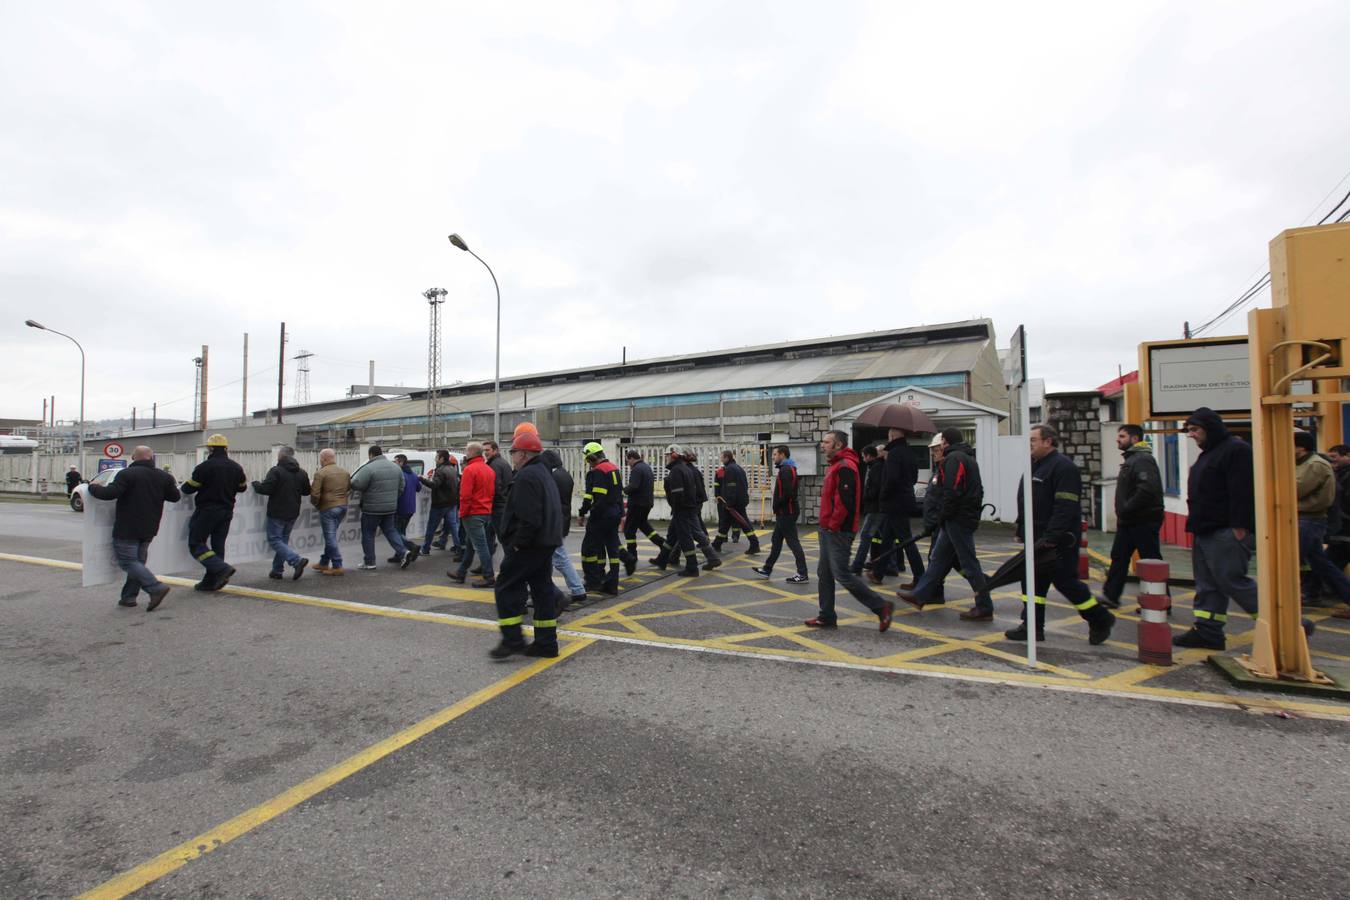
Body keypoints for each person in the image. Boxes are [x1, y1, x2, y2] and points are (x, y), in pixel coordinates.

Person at [1173, 408, 1312, 648]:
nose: (1192, 435)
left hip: (1225, 530)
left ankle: (1288, 625)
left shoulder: (1236, 451)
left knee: (1231, 580)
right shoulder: (1210, 453)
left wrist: (1240, 525)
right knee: (1208, 584)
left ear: (1210, 428)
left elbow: (1243, 491)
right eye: (1190, 430)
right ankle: (1208, 631)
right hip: (1206, 529)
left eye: (1195, 430)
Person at [1005, 425, 1115, 644]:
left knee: (1065, 582)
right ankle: (1032, 626)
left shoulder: (1063, 468)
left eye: (1034, 440)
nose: (1030, 444)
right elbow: (1027, 501)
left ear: (1048, 441)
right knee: (1032, 584)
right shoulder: (1036, 466)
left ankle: (1100, 618)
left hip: (1057, 540)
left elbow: (1064, 507)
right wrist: (1021, 529)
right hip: (1036, 537)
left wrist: (1052, 538)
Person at [805, 430, 895, 631]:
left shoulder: (845, 467)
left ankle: (881, 606)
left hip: (837, 531)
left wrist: (832, 526)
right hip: (828, 529)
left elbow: (845, 503)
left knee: (842, 574)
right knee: (825, 573)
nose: (822, 445)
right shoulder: (836, 465)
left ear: (838, 445)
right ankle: (826, 615)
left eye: (827, 442)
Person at [896, 428, 990, 618]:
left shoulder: (953, 459)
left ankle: (985, 606)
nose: (935, 451)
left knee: (969, 564)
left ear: (945, 442)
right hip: (957, 518)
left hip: (957, 519)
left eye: (939, 445)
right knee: (937, 559)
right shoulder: (967, 459)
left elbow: (952, 492)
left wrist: (943, 516)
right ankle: (920, 595)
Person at [488, 430, 566, 659]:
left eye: (513, 452)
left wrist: (517, 545)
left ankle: (512, 639)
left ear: (523, 453)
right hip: (545, 542)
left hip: (529, 545)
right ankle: (546, 643)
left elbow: (529, 517)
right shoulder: (542, 472)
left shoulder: (526, 476)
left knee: (505, 587)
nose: (512, 456)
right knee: (542, 592)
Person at [87, 445, 179, 610]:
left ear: (134, 458)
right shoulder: (163, 476)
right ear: (152, 458)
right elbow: (175, 497)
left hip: (128, 527)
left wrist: (93, 486)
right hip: (150, 527)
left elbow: (109, 494)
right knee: (138, 563)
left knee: (128, 562)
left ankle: (155, 587)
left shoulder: (127, 474)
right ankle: (128, 597)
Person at [1103, 425, 1164, 609]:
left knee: (1151, 560)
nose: (1118, 439)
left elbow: (1146, 489)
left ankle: (1160, 601)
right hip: (1130, 520)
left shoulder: (1142, 459)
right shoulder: (1133, 459)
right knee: (1119, 557)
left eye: (1122, 436)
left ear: (1135, 439)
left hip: (1142, 520)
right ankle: (1111, 596)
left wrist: (1127, 508)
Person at [181, 433, 247, 592]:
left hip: (207, 510)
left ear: (210, 448)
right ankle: (211, 581)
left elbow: (188, 488)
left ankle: (220, 568)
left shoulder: (204, 467)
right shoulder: (236, 467)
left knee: (196, 543)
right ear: (226, 448)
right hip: (227, 511)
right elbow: (242, 487)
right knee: (218, 545)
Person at [1294, 431, 1350, 607]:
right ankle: (1316, 593)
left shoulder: (1315, 465)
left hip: (1310, 519)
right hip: (1307, 519)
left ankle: (1285, 598)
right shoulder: (1305, 464)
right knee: (1321, 563)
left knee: (1293, 560)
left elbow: (1296, 489)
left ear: (1301, 447)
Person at [350, 445, 419, 571]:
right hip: (390, 508)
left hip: (371, 508)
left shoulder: (369, 467)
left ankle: (370, 562)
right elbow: (402, 486)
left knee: (368, 534)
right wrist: (393, 498)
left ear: (371, 455)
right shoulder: (396, 468)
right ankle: (403, 552)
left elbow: (356, 483)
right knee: (391, 531)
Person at [874, 427, 925, 587]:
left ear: (892, 436)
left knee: (906, 540)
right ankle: (878, 573)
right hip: (904, 500)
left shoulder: (895, 454)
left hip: (894, 503)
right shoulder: (909, 453)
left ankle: (920, 577)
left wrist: (882, 496)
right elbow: (914, 477)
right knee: (887, 539)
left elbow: (891, 479)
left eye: (889, 435)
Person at [252, 445, 312, 581]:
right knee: (283, 540)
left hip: (277, 511)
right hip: (293, 512)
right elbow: (307, 491)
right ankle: (277, 570)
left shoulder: (276, 471)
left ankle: (296, 561)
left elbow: (266, 489)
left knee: (274, 539)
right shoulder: (301, 472)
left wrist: (256, 484)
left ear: (281, 456)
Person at [751, 445, 808, 583]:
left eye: (775, 454)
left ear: (782, 455)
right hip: (786, 511)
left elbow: (788, 493)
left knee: (793, 542)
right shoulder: (789, 468)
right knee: (776, 541)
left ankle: (802, 573)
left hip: (786, 512)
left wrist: (776, 505)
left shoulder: (786, 471)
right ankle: (767, 569)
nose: (773, 456)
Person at [653, 444, 711, 576]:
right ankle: (662, 559)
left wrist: (675, 508)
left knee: (685, 539)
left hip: (682, 510)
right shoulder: (684, 468)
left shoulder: (677, 471)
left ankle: (692, 567)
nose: (666, 458)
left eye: (667, 455)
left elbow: (678, 494)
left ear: (673, 455)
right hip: (687, 508)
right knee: (672, 536)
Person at [541, 448, 587, 607]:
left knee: (559, 559)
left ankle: (577, 589)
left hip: (555, 522)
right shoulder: (565, 474)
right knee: (552, 558)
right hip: (564, 520)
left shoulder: (553, 476)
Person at [577, 441, 624, 595]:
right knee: (612, 549)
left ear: (591, 457)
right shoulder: (614, 468)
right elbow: (618, 494)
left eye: (587, 459)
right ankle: (612, 585)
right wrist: (621, 515)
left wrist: (586, 514)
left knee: (589, 548)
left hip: (602, 515)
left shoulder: (598, 471)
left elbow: (597, 497)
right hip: (615, 513)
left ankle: (593, 581)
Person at [448, 442, 497, 587]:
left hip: (473, 512)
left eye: (466, 451)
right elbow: (492, 492)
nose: (465, 454)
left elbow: (465, 495)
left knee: (480, 546)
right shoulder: (489, 470)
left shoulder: (470, 470)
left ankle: (488, 576)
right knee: (471, 544)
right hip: (486, 511)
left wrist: (462, 513)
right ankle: (461, 572)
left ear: (471, 453)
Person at [622, 448, 665, 575]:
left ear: (631, 458)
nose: (628, 464)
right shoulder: (646, 467)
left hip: (637, 504)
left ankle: (632, 557)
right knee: (644, 526)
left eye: (627, 461)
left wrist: (623, 490)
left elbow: (634, 486)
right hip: (646, 503)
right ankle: (663, 545)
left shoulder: (636, 469)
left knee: (629, 530)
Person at [310, 448, 350, 576]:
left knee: (330, 537)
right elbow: (349, 487)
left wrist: (316, 504)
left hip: (328, 507)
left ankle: (337, 565)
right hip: (343, 506)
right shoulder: (344, 472)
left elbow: (315, 493)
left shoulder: (321, 473)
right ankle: (324, 562)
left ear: (324, 459)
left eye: (321, 459)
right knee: (331, 536)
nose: (320, 461)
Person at [849, 444, 887, 578]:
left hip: (875, 508)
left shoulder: (876, 468)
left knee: (865, 535)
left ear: (869, 456)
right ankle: (888, 564)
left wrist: (865, 496)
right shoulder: (875, 466)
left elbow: (874, 488)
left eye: (863, 456)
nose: (863, 459)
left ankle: (857, 565)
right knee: (881, 536)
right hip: (876, 507)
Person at [712, 451, 760, 554]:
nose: (721, 459)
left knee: (739, 523)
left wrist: (728, 504)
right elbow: (744, 485)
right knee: (729, 523)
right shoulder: (739, 468)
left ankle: (754, 544)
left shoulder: (729, 470)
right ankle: (716, 544)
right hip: (740, 501)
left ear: (726, 458)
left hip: (733, 503)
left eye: (722, 457)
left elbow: (731, 487)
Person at [419, 450, 461, 556]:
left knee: (431, 527)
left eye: (437, 457)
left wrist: (422, 479)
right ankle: (459, 547)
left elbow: (435, 484)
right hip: (451, 503)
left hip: (440, 504)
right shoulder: (452, 469)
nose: (435, 459)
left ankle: (425, 549)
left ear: (442, 459)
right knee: (453, 526)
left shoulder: (440, 470)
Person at [483, 440, 513, 558]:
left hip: (497, 506)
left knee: (503, 539)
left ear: (495, 450)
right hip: (501, 504)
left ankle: (511, 565)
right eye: (484, 450)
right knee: (488, 534)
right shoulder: (502, 463)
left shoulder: (494, 465)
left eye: (488, 450)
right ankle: (486, 563)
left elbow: (495, 487)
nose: (485, 453)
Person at [391, 454, 422, 555]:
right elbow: (419, 488)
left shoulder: (399, 475)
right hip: (410, 508)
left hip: (400, 507)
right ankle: (401, 553)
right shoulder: (413, 474)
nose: (394, 464)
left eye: (395, 462)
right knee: (401, 531)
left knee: (395, 532)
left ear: (401, 462)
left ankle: (410, 547)